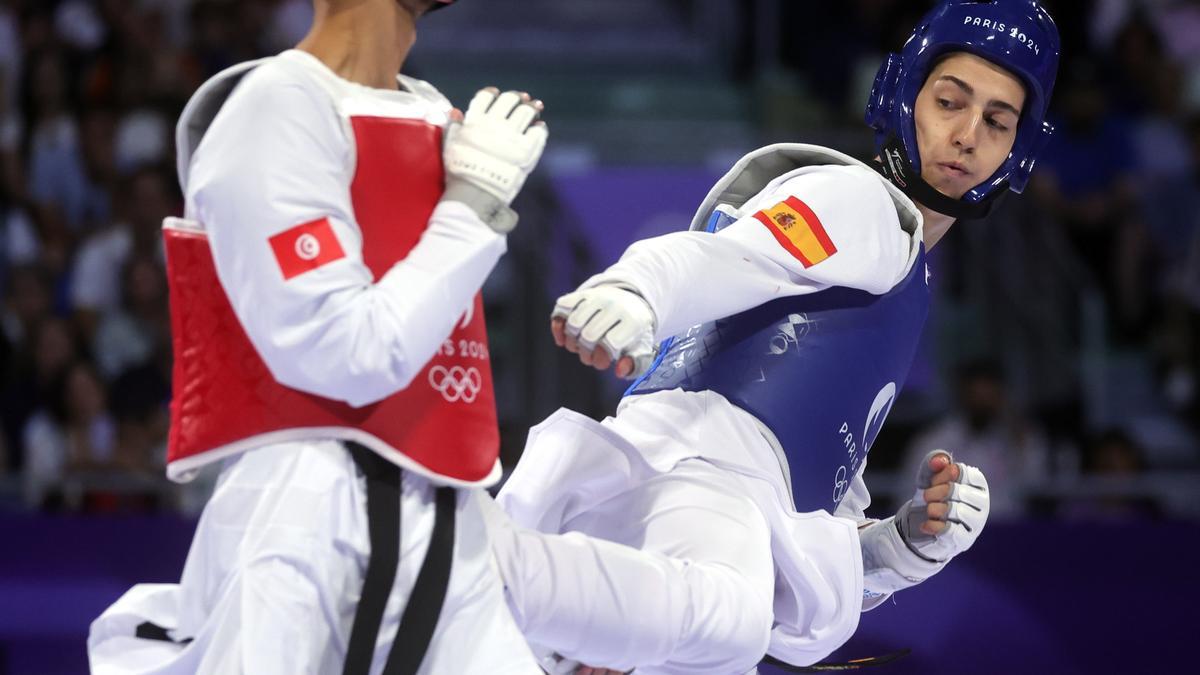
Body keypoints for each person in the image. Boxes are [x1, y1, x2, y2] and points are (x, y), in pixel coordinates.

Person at [489, 1, 1060, 673]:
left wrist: (895, 549)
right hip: (690, 486)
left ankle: (487, 580)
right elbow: (731, 257)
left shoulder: (906, 282)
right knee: (731, 619)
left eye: (996, 121)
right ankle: (479, 558)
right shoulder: (863, 205)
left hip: (709, 517)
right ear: (906, 96)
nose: (967, 135)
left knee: (731, 623)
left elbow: (808, 507)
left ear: (1017, 149)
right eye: (949, 102)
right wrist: (635, 289)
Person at [88, 1, 548, 673]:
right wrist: (474, 210)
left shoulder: (442, 120)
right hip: (299, 502)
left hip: (444, 500)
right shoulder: (274, 108)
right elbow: (343, 352)